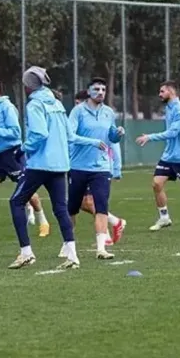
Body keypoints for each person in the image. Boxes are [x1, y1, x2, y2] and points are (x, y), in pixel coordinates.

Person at [6, 66, 103, 270]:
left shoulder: (35, 104)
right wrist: (94, 142)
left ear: (28, 85)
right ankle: (72, 255)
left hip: (39, 164)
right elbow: (70, 136)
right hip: (60, 165)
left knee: (16, 202)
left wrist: (22, 148)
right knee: (60, 208)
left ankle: (26, 252)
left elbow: (39, 134)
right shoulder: (57, 104)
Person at [0, 79, 50, 237]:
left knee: (27, 190)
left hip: (12, 155)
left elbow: (15, 133)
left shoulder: (7, 107)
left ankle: (43, 221)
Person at [67, 78, 125, 260]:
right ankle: (67, 245)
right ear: (89, 91)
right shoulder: (78, 111)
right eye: (96, 89)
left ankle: (101, 249)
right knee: (72, 208)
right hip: (78, 166)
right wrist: (92, 142)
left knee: (101, 206)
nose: (100, 92)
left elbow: (111, 138)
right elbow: (70, 136)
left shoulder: (108, 112)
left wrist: (117, 134)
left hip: (101, 167)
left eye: (103, 89)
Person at [135, 81, 180, 233]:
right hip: (169, 156)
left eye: (162, 91)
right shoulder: (169, 108)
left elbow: (172, 133)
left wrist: (149, 137)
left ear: (171, 92)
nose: (159, 94)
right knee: (156, 184)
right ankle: (164, 218)